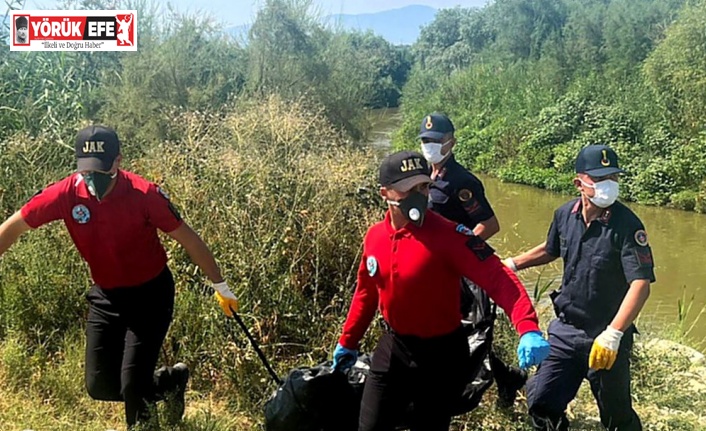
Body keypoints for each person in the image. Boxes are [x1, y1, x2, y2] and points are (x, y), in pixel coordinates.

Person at [0, 125, 239, 430]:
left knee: (133, 388)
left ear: (118, 161)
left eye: (101, 169)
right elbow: (14, 226)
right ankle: (169, 382)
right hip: (107, 295)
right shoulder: (65, 193)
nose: (93, 178)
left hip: (150, 294)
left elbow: (189, 239)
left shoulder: (144, 194)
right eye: (86, 171)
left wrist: (221, 286)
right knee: (99, 386)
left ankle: (144, 409)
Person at [332, 150, 550, 431]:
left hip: (442, 355)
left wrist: (528, 327)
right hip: (395, 346)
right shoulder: (375, 237)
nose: (419, 195)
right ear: (385, 193)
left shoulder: (451, 236)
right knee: (371, 426)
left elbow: (498, 278)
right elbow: (366, 293)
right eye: (409, 188)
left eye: (424, 186)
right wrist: (348, 341)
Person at [503, 144, 655, 431]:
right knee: (540, 403)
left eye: (613, 178)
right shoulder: (564, 215)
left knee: (616, 417)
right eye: (599, 179)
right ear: (579, 183)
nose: (608, 185)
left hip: (606, 334)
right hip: (566, 330)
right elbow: (551, 250)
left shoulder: (627, 225)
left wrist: (614, 334)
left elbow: (641, 284)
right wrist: (511, 263)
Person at [419, 112, 528, 408]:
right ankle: (507, 378)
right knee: (465, 332)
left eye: (435, 140)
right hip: (431, 269)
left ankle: (492, 382)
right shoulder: (424, 177)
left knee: (470, 331)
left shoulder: (462, 182)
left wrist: (462, 252)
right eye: (425, 140)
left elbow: (489, 224)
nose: (429, 145)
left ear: (450, 142)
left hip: (459, 272)